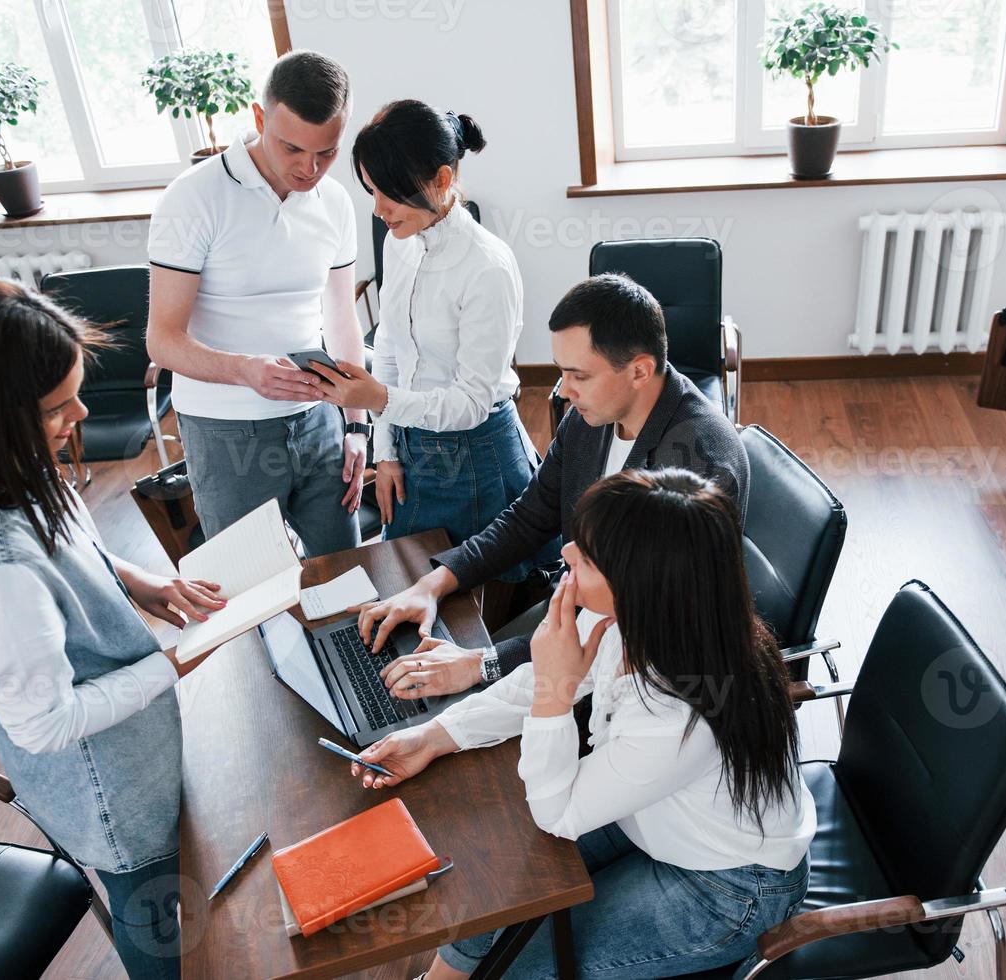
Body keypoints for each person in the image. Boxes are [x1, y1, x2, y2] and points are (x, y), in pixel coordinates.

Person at [350, 469, 813, 978]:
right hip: (651, 817)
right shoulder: (640, 618)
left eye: (586, 557)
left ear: (639, 584)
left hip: (728, 887)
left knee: (518, 966)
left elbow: (558, 812)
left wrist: (555, 689)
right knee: (497, 881)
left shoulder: (678, 712)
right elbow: (535, 682)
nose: (565, 554)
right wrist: (434, 737)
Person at [0, 279, 228, 980]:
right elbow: (43, 725)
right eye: (57, 406)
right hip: (108, 789)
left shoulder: (5, 469)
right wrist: (170, 665)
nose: (80, 414)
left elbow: (73, 543)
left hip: (134, 748)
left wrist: (142, 581)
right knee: (157, 931)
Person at [357, 273, 749, 698]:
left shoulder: (700, 464)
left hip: (641, 670)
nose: (565, 390)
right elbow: (531, 515)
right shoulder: (591, 418)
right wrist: (433, 584)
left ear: (640, 370)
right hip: (572, 614)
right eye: (562, 372)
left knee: (447, 707)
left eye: (579, 375)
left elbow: (634, 623)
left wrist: (483, 664)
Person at [308, 99, 553, 581]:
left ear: (442, 181)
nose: (378, 212)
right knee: (407, 591)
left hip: (478, 457)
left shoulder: (487, 267)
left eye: (390, 195)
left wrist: (378, 400)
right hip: (412, 450)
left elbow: (471, 403)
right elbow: (394, 354)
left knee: (486, 609)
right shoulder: (400, 244)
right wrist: (388, 453)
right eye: (371, 193)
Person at [147, 49, 368, 555]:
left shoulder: (334, 202)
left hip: (319, 418)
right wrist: (245, 370)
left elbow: (341, 320)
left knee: (342, 575)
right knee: (251, 589)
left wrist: (355, 425)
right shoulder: (193, 198)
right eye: (292, 148)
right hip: (225, 431)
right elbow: (162, 342)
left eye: (327, 152)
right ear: (259, 118)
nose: (309, 168)